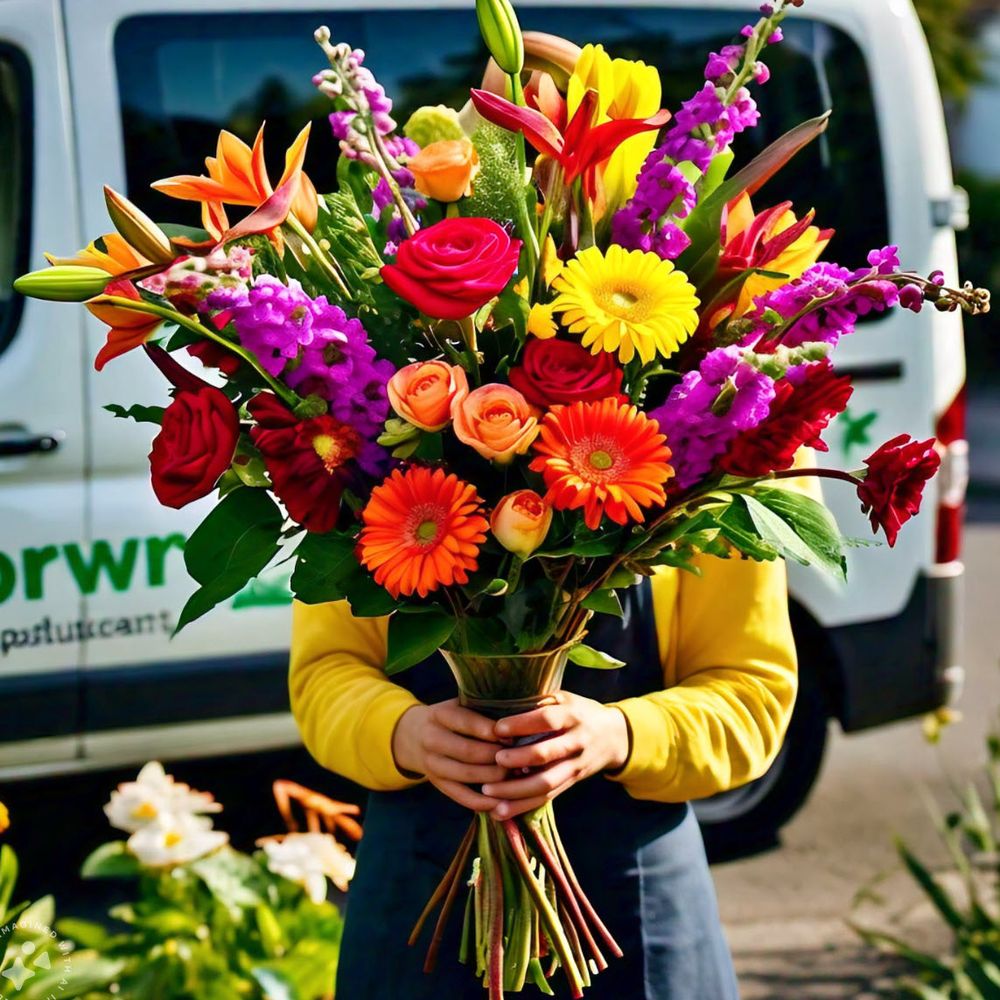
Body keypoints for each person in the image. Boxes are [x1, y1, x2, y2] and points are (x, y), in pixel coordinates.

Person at [290, 552, 798, 999]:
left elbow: (751, 691)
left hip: (633, 896)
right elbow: (327, 670)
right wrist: (401, 733)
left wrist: (622, 734)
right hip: (417, 886)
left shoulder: (738, 449)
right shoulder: (353, 448)